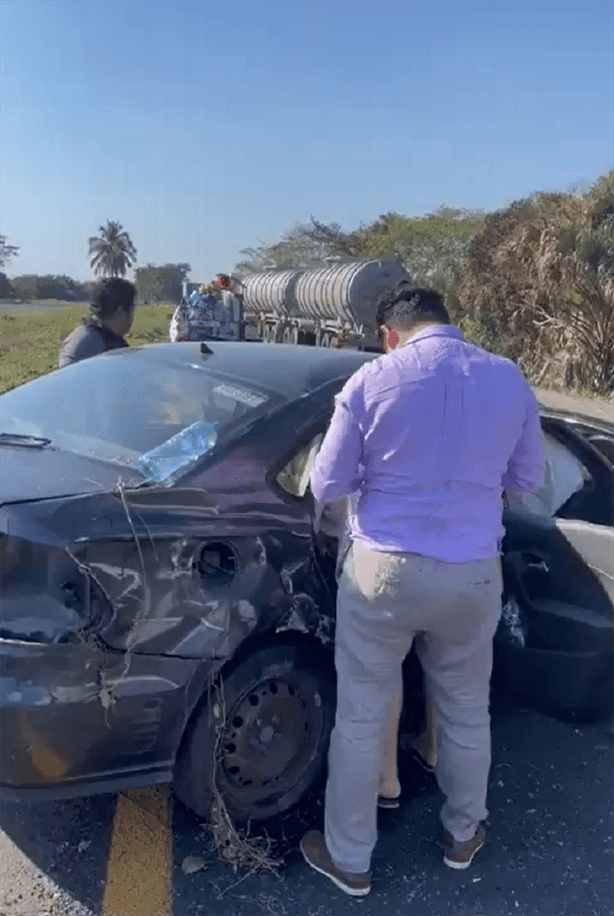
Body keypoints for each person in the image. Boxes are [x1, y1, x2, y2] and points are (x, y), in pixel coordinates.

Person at [300, 283, 545, 897]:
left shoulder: (369, 381)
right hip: (472, 572)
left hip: (382, 571)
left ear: (390, 333)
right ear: (448, 322)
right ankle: (464, 836)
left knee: (361, 714)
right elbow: (529, 477)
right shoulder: (508, 378)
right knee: (465, 708)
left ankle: (350, 859)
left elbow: (326, 483)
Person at [58, 278, 136, 368]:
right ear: (119, 312)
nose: (132, 318)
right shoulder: (95, 346)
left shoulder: (84, 335)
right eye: (131, 311)